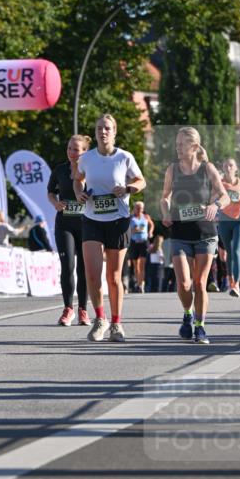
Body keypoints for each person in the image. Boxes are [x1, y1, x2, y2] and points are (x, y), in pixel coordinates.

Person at [73, 114, 145, 342]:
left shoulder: (125, 157)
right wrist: (79, 192)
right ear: (95, 133)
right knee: (93, 275)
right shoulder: (87, 158)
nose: (102, 132)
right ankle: (100, 319)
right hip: (92, 219)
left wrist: (128, 189)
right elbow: (78, 179)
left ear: (114, 132)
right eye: (99, 128)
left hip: (118, 220)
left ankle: (116, 323)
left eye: (107, 128)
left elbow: (141, 181)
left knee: (113, 277)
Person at [160, 127, 230, 345]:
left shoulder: (207, 169)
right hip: (180, 232)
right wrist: (165, 212)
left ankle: (200, 326)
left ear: (193, 146)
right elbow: (165, 197)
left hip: (205, 233)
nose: (177, 148)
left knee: (200, 283)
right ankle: (187, 313)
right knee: (183, 283)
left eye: (181, 144)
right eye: (176, 144)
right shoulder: (172, 169)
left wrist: (214, 205)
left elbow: (225, 196)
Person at [47, 134, 91, 326]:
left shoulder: (91, 170)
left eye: (77, 149)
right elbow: (50, 191)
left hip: (87, 224)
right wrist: (56, 203)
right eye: (70, 149)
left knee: (84, 269)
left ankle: (83, 310)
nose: (72, 153)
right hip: (64, 223)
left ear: (85, 151)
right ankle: (68, 309)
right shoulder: (60, 170)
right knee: (67, 267)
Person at [216, 158, 240, 298]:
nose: (228, 167)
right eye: (226, 165)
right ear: (223, 168)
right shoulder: (220, 183)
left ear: (236, 168)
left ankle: (236, 285)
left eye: (231, 165)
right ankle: (231, 281)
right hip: (224, 220)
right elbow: (213, 195)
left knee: (237, 250)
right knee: (229, 252)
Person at [128, 200, 154, 293]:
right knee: (136, 266)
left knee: (142, 264)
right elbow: (127, 229)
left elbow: (152, 225)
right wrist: (132, 231)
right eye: (137, 208)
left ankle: (140, 284)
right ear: (134, 209)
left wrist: (150, 232)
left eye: (141, 208)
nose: (139, 210)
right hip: (134, 242)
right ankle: (137, 281)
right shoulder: (131, 218)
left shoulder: (146, 217)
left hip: (143, 242)